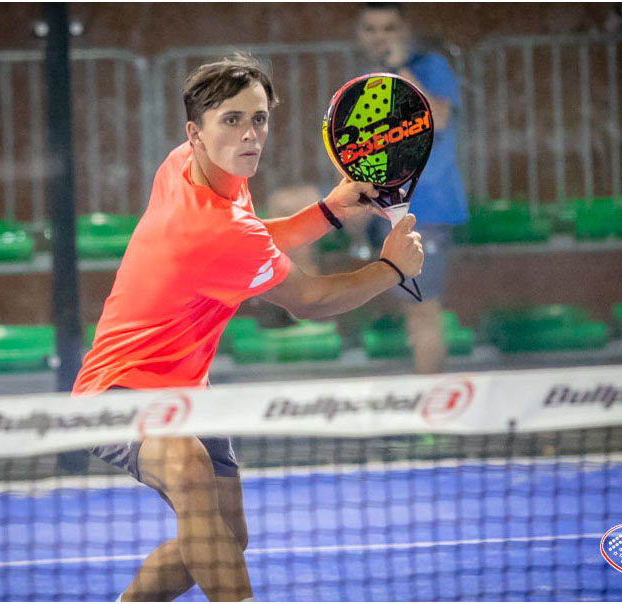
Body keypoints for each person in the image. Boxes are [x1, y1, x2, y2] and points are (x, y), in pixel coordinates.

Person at [71, 53, 423, 602]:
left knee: (227, 538)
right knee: (188, 467)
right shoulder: (211, 228)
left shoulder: (187, 167)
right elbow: (309, 299)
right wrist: (391, 269)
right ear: (196, 132)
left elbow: (251, 238)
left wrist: (330, 210)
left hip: (187, 390)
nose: (249, 134)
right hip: (115, 392)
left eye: (258, 119)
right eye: (231, 120)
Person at [356, 2, 468, 374]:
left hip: (428, 209)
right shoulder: (369, 79)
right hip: (388, 208)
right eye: (371, 29)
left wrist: (400, 69)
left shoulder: (428, 67)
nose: (380, 37)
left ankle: (432, 406)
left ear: (404, 31)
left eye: (388, 28)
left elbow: (438, 118)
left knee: (422, 309)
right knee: (411, 310)